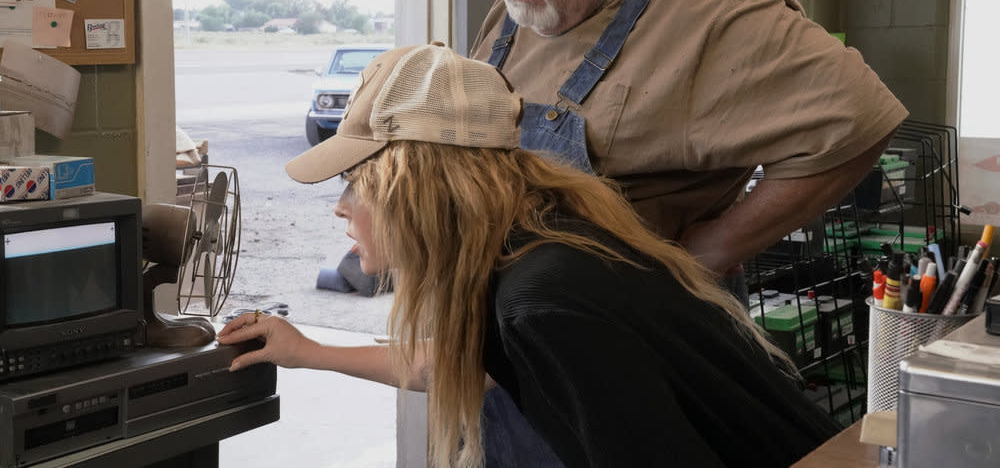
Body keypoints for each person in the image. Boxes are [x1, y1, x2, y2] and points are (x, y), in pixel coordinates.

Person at [465, 0, 907, 465]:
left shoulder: (708, 11)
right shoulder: (523, 4)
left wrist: (715, 247)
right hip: (518, 356)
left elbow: (859, 116)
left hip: (621, 370)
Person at [218, 44, 841, 468]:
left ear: (421, 186)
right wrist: (308, 352)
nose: (342, 207)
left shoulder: (545, 299)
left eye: (359, 182)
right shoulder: (535, 248)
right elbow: (460, 365)